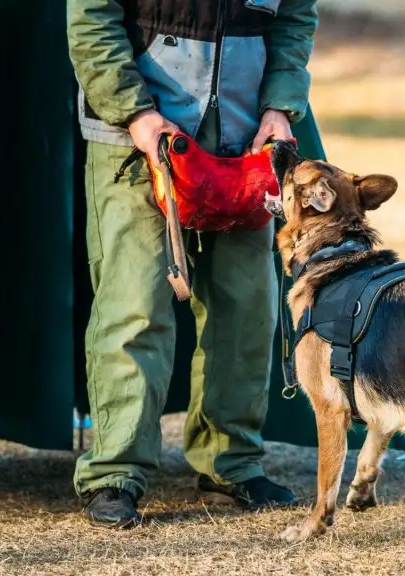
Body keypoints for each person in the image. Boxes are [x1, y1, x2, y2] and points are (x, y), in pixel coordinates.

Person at [66, 0, 318, 528]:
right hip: (135, 140)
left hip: (247, 140)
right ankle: (115, 472)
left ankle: (232, 463)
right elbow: (91, 16)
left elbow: (295, 18)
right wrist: (133, 111)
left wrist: (280, 106)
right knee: (134, 305)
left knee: (248, 307)